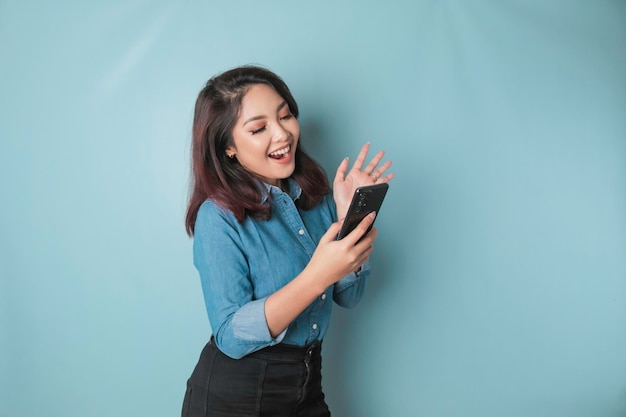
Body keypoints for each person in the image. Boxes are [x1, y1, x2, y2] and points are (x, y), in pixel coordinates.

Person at [182, 65, 394, 417]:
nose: (282, 134)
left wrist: (347, 219)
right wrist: (317, 275)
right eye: (259, 128)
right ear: (229, 147)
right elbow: (231, 336)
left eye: (286, 116)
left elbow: (350, 296)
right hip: (235, 398)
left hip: (306, 385)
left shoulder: (316, 198)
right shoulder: (217, 217)